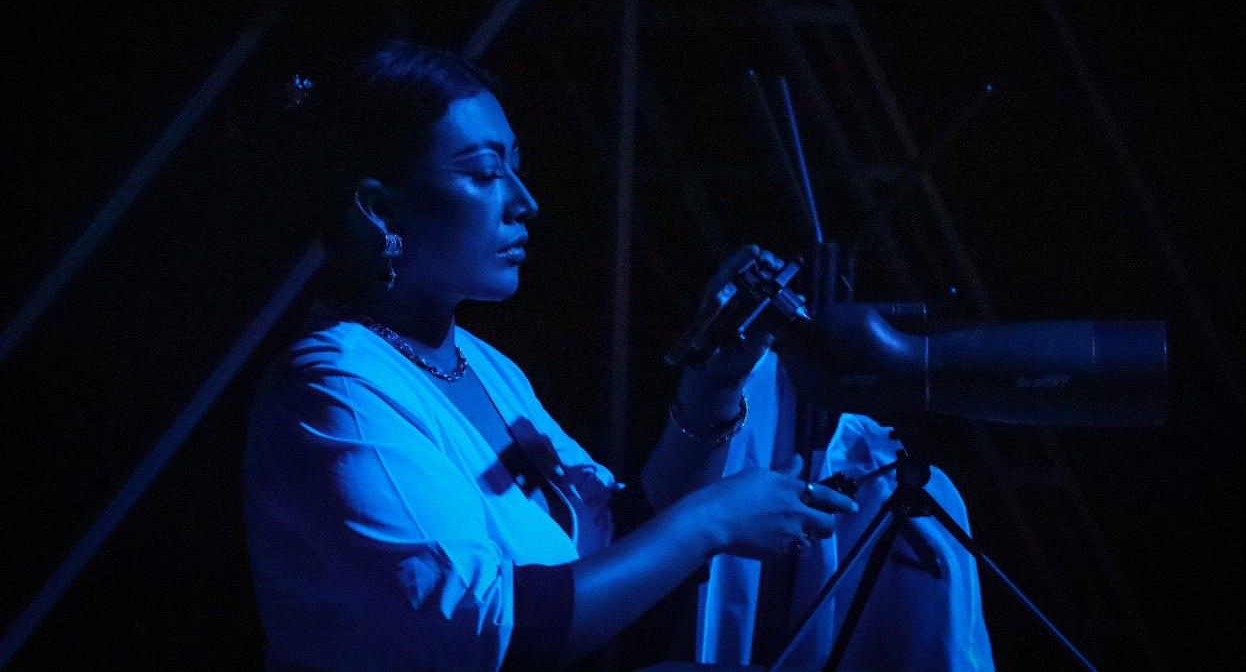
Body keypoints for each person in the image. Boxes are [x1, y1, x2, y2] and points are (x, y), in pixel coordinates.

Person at [242, 40, 860, 671]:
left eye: (516, 167)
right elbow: (491, 628)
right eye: (485, 174)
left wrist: (712, 386)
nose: (524, 201)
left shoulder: (480, 365)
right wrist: (712, 519)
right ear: (381, 209)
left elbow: (614, 548)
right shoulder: (334, 389)